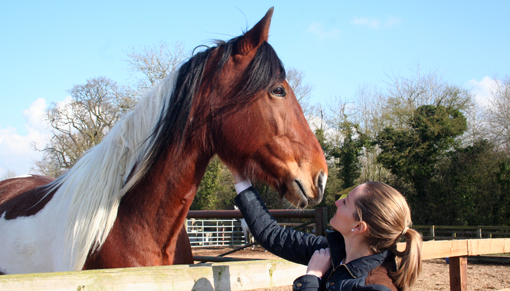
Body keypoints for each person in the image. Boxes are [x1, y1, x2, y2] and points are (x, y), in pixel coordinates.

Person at [228, 167, 422, 291]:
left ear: (358, 227)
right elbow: (271, 234)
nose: (337, 203)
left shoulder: (377, 287)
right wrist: (239, 175)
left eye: (345, 202)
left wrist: (312, 278)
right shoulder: (332, 251)